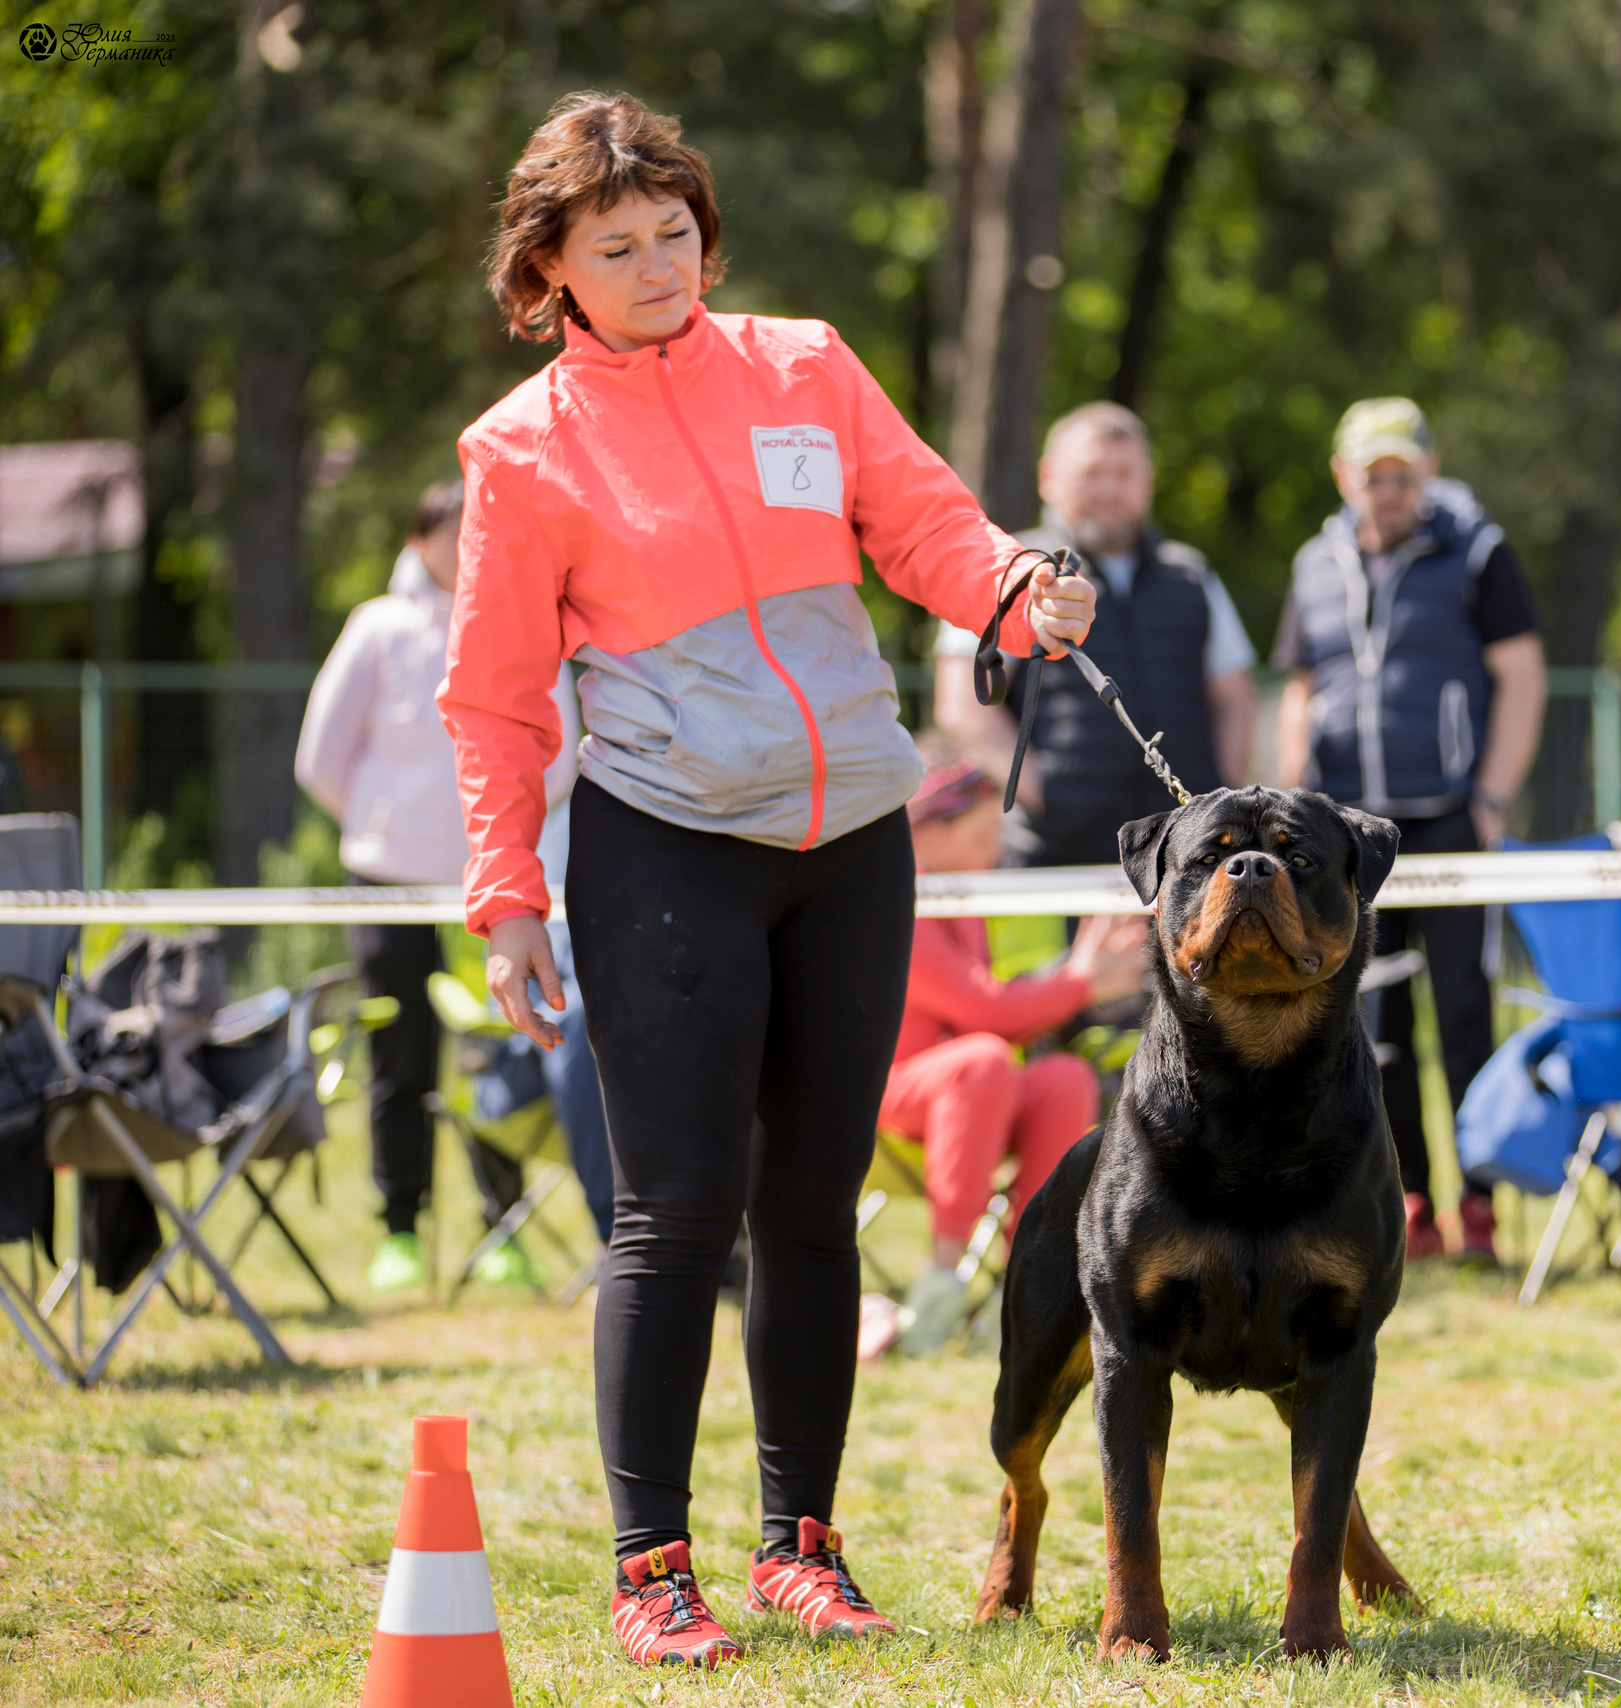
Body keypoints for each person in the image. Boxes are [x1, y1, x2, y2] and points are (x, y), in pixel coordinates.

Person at [439, 91, 1096, 1671]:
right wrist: (503, 885)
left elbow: (927, 522)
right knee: (678, 1214)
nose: (661, 264)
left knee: (814, 1207)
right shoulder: (520, 452)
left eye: (676, 232)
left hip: (852, 841)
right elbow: (496, 693)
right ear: (554, 271)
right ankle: (649, 1569)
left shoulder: (804, 363)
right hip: (666, 848)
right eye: (619, 245)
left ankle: (804, 1546)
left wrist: (1013, 587)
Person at [1272, 397, 1545, 1262]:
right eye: (1371, 475)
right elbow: (1302, 685)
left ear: (1427, 472)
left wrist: (1493, 793)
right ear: (1343, 478)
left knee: (1464, 1012)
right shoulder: (1314, 562)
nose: (1387, 490)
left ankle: (1481, 1205)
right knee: (1373, 1022)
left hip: (1452, 818)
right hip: (1351, 833)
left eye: (1402, 474)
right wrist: (1292, 804)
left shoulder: (1478, 554)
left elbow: (1522, 676)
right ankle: (1410, 1202)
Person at [294, 479, 576, 1293]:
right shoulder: (375, 629)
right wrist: (389, 829)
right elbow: (321, 757)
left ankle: (504, 1229)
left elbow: (558, 753)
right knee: (401, 1055)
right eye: (448, 534)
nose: (462, 549)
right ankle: (399, 1229)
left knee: (499, 1049)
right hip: (386, 885)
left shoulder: (528, 622)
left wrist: (494, 836)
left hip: (495, 888)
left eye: (475, 533)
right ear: (418, 543)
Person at [884, 742, 1148, 1354]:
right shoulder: (903, 899)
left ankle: (1032, 1280)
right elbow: (985, 1010)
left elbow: (991, 1017)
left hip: (972, 1087)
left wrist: (1083, 982)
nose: (995, 852)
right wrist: (1082, 981)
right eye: (980, 837)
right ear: (926, 832)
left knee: (1063, 1078)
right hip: (889, 1093)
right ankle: (943, 1275)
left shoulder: (965, 896)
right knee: (981, 1060)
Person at [934, 401, 1258, 866]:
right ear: (1049, 478)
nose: (1108, 489)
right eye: (1091, 472)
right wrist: (1043, 792)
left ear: (1148, 480)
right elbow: (963, 705)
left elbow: (1234, 697)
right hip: (1060, 851)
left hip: (1188, 852)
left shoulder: (1192, 574)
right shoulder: (1011, 567)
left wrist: (1220, 791)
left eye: (1124, 474)